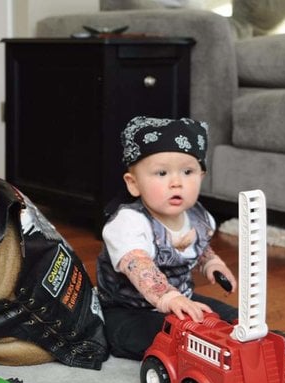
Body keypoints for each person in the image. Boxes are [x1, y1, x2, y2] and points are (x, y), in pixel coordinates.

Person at [95, 116, 239, 360]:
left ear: (201, 177)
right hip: (127, 309)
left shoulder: (199, 217)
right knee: (170, 336)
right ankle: (216, 355)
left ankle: (274, 343)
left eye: (187, 172)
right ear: (134, 184)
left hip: (182, 299)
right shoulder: (128, 222)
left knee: (230, 317)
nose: (176, 182)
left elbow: (200, 247)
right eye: (161, 173)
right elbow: (138, 266)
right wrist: (168, 296)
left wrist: (211, 263)